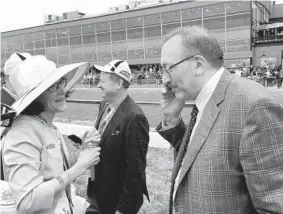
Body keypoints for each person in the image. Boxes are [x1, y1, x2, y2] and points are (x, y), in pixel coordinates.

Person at [156, 26, 283, 213]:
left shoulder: (254, 105)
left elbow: (273, 206)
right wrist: (172, 119)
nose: (165, 80)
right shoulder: (204, 99)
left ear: (198, 64)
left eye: (169, 68)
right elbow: (198, 155)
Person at [1, 54, 101, 214]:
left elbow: (53, 170)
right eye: (53, 86)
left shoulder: (47, 125)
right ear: (35, 96)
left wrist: (84, 151)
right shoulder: (23, 131)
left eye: (61, 82)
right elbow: (27, 201)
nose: (62, 90)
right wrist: (80, 167)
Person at [85, 60, 150, 214]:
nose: (98, 85)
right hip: (97, 192)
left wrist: (123, 210)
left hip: (115, 201)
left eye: (102, 81)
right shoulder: (104, 104)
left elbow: (136, 171)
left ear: (119, 83)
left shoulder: (135, 117)